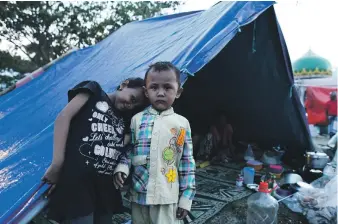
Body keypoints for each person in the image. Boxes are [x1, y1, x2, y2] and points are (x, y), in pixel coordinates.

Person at [42, 78, 146, 223]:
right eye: (132, 98)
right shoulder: (94, 91)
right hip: (79, 185)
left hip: (105, 190)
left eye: (135, 106)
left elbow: (124, 145)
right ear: (124, 84)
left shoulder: (125, 120)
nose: (130, 105)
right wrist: (57, 164)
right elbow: (63, 118)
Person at [116, 62, 196, 224]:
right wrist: (122, 167)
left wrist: (186, 198)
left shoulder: (181, 124)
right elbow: (130, 149)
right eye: (154, 87)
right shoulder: (137, 120)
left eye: (167, 88)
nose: (160, 93)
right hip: (139, 194)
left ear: (178, 92)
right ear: (146, 92)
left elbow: (186, 162)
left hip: (166, 196)